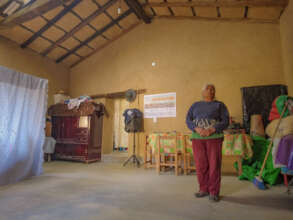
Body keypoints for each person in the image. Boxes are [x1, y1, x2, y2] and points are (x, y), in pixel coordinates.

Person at [186, 84, 229, 202]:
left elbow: (226, 121)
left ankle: (214, 192)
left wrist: (212, 129)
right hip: (197, 139)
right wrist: (196, 128)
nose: (211, 90)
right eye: (208, 88)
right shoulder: (195, 105)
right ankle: (203, 189)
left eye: (213, 89)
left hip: (214, 138)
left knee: (214, 165)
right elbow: (188, 119)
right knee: (200, 165)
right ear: (202, 92)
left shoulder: (219, 105)